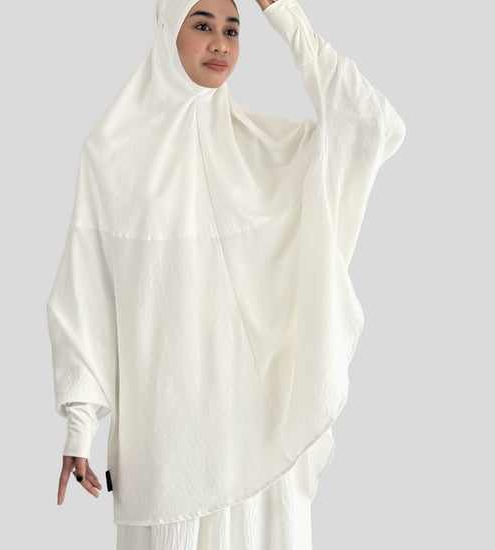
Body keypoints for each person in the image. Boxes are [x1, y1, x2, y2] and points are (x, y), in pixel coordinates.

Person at [46, 0, 406, 548]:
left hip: (261, 449)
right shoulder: (112, 153)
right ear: (168, 30)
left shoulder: (265, 150)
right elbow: (86, 294)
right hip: (167, 448)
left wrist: (283, 13)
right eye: (202, 25)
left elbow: (368, 123)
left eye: (233, 30)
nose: (220, 42)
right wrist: (80, 425)